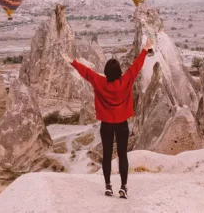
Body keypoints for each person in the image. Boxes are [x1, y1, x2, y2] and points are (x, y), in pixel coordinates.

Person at [62, 38, 152, 199]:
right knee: (123, 155)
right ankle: (123, 187)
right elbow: (136, 67)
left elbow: (87, 73)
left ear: (106, 72)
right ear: (118, 72)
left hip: (107, 125)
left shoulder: (100, 82)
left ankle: (108, 186)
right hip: (122, 124)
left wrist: (72, 62)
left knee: (107, 154)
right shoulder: (126, 81)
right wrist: (145, 49)